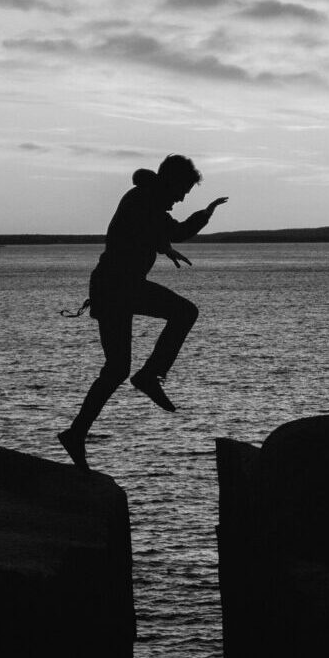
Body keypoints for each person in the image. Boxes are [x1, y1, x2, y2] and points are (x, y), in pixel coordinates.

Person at [58, 155, 227, 469]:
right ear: (170, 181)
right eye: (182, 190)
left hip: (114, 287)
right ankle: (150, 375)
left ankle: (76, 433)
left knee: (116, 368)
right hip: (118, 287)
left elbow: (145, 230)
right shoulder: (145, 200)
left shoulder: (145, 200)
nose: (182, 198)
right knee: (184, 313)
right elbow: (175, 230)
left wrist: (163, 247)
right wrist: (205, 214)